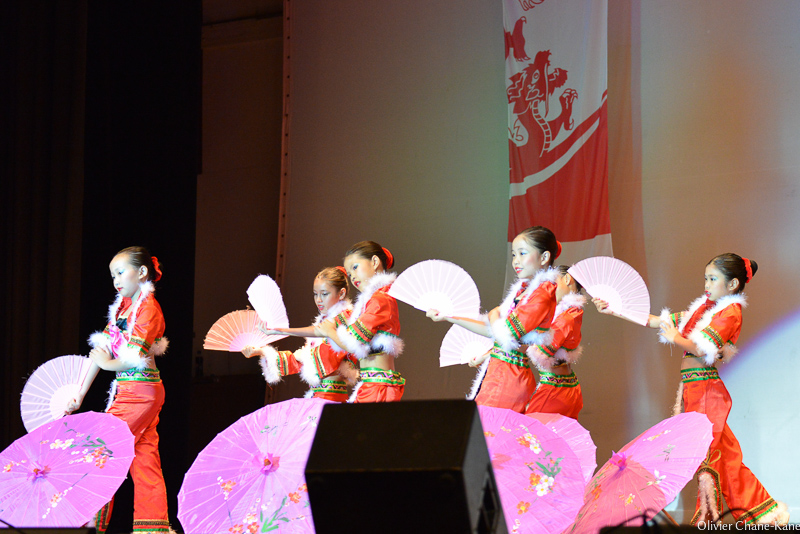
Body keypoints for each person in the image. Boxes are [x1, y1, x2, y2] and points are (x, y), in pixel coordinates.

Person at [593, 253, 789, 526]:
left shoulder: (729, 312)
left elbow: (700, 347)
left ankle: (724, 515)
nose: (706, 284)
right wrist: (616, 309)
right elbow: (659, 321)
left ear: (732, 285)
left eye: (713, 279)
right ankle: (728, 515)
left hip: (707, 390)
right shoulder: (705, 310)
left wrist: (676, 337)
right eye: (706, 278)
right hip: (694, 388)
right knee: (717, 456)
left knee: (714, 456)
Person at [68, 246, 171, 534]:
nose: (116, 279)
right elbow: (98, 353)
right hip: (132, 391)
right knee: (144, 460)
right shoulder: (122, 308)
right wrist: (79, 394)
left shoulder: (149, 308)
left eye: (121, 272)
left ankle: (90, 524)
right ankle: (153, 530)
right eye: (112, 274)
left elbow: (132, 358)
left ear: (141, 273)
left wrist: (109, 362)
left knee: (102, 449)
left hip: (141, 391)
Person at [428, 226, 559, 413]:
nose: (516, 261)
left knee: (490, 433)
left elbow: (507, 332)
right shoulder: (524, 291)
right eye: (514, 254)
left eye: (522, 253)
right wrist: (449, 316)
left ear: (544, 258)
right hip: (500, 372)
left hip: (509, 379)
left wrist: (494, 315)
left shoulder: (543, 294)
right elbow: (494, 329)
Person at [244, 266, 358, 402]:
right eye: (315, 294)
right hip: (318, 395)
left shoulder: (346, 319)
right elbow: (302, 361)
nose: (319, 300)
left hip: (331, 396)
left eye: (324, 294)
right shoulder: (324, 323)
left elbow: (324, 358)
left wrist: (300, 352)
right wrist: (262, 352)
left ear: (341, 293)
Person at [317, 241, 405, 402]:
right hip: (372, 385)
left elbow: (353, 342)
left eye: (355, 267)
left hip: (378, 389)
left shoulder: (380, 299)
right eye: (350, 274)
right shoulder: (375, 299)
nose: (353, 277)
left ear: (375, 262)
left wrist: (330, 331)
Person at [525, 265, 585, 419]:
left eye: (553, 284)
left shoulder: (566, 317)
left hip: (555, 390)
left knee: (530, 435)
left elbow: (542, 352)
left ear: (567, 279)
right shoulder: (570, 313)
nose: (549, 290)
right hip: (564, 387)